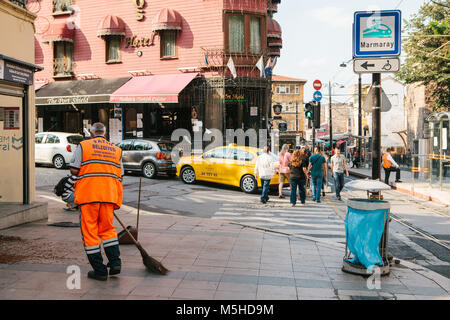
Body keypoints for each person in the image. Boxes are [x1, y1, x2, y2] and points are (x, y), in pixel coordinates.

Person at [70, 122, 124, 281]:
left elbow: (74, 168)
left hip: (89, 196)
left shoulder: (84, 146)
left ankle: (100, 271)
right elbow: (120, 175)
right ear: (105, 134)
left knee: (90, 232)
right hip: (109, 195)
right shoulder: (117, 150)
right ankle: (115, 263)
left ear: (92, 134)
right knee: (108, 230)